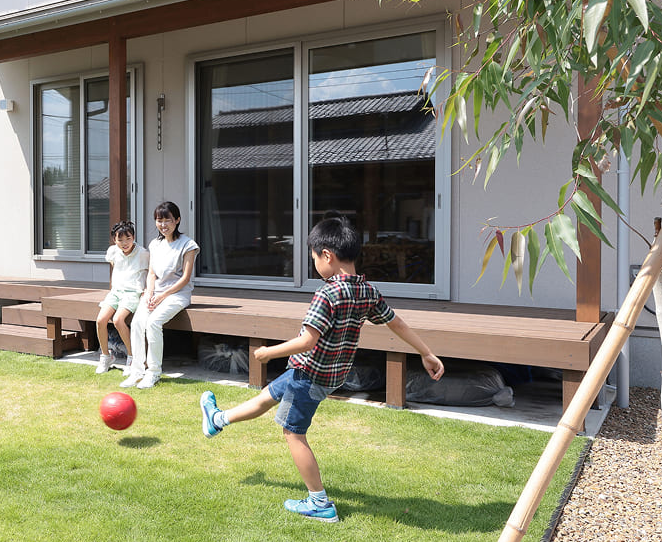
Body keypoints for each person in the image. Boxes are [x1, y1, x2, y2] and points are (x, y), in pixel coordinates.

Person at [199, 215, 444, 522]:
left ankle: (319, 503)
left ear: (327, 255)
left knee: (293, 433)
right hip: (329, 374)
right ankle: (217, 420)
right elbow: (397, 323)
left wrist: (266, 352)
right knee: (266, 397)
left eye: (314, 257)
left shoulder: (327, 293)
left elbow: (306, 340)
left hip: (310, 375)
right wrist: (427, 352)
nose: (314, 264)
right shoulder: (366, 290)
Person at [121, 201, 200, 390]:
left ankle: (154, 372)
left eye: (167, 220)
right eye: (159, 220)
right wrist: (149, 293)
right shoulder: (154, 244)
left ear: (177, 220)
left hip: (177, 294)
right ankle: (137, 371)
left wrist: (162, 295)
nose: (163, 225)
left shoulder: (188, 245)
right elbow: (151, 273)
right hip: (155, 293)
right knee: (138, 323)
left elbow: (185, 278)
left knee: (153, 322)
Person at [94, 220, 148, 374]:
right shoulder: (113, 251)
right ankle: (105, 356)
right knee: (100, 320)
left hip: (132, 292)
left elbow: (150, 272)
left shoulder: (143, 253)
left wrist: (146, 290)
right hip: (116, 292)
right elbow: (115, 267)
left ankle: (133, 357)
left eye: (128, 238)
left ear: (134, 237)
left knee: (118, 320)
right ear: (114, 239)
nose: (125, 243)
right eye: (120, 239)